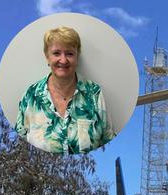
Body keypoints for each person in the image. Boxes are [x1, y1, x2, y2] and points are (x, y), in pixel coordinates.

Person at [15, 26, 114, 154]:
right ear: (47, 57)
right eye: (56, 53)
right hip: (38, 174)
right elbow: (20, 147)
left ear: (77, 57)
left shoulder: (94, 93)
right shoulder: (30, 97)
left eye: (69, 53)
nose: (63, 60)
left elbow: (108, 140)